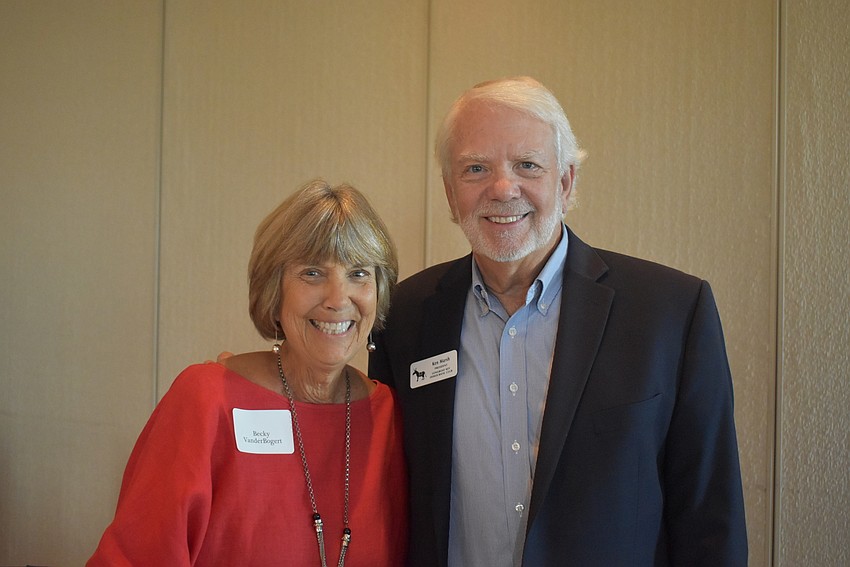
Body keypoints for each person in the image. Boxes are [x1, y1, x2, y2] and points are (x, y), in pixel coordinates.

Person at [368, 77, 748, 566]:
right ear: (449, 191)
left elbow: (709, 516)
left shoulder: (671, 312)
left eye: (527, 165)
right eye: (476, 168)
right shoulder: (403, 315)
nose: (503, 189)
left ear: (566, 182)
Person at [88, 180, 408, 566]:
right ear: (275, 291)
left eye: (359, 273)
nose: (339, 299)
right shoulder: (208, 400)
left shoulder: (390, 416)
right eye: (312, 273)